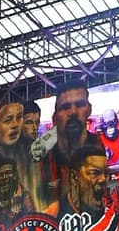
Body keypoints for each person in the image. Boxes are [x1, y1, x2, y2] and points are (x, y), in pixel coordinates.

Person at [31, 77, 100, 205]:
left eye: (79, 105)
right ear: (55, 116)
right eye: (65, 107)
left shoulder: (97, 147)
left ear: (89, 109)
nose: (73, 112)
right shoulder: (44, 156)